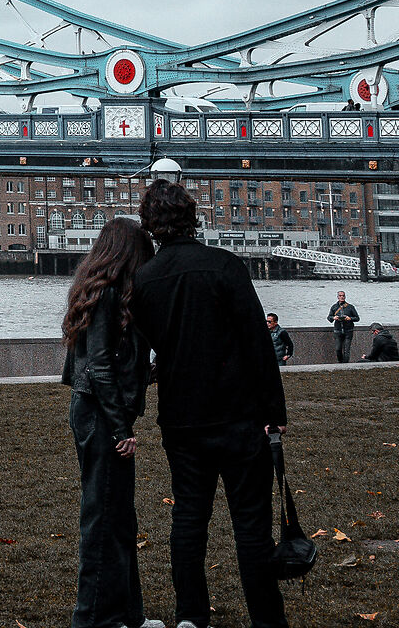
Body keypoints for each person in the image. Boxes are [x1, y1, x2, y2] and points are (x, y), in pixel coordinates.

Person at [129, 177, 291, 628]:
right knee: (251, 526)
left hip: (182, 418)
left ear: (150, 225)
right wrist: (273, 413)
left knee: (189, 520)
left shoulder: (144, 281)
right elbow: (258, 344)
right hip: (239, 415)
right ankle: (266, 619)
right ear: (191, 217)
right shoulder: (225, 266)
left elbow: (150, 349)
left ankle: (191, 617)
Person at [61, 216, 154, 628]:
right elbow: (99, 368)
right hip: (101, 413)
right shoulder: (108, 294)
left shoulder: (96, 290)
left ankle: (126, 615)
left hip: (95, 408)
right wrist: (121, 428)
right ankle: (93, 618)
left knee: (118, 514)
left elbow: (103, 362)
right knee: (103, 517)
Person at [327, 289, 360, 363]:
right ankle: (340, 362)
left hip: (348, 331)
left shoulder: (350, 307)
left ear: (345, 297)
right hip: (338, 331)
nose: (342, 297)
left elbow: (357, 318)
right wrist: (333, 317)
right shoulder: (334, 307)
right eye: (340, 296)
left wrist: (350, 318)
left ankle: (346, 364)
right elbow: (329, 317)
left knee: (347, 349)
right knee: (338, 349)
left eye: (343, 296)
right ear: (337, 297)